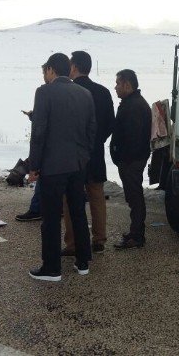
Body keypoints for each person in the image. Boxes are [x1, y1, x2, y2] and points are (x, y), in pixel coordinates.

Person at [27, 53, 96, 282]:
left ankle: (52, 268)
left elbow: (39, 133)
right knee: (77, 212)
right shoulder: (85, 94)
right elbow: (91, 131)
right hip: (78, 165)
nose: (44, 76)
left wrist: (34, 165)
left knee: (51, 217)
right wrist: (83, 157)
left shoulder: (44, 92)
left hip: (53, 166)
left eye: (44, 71)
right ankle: (83, 261)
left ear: (50, 70)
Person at [61, 51, 114, 255]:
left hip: (73, 154)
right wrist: (97, 140)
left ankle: (72, 243)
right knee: (97, 196)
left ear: (74, 67)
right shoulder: (103, 92)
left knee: (70, 199)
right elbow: (110, 123)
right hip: (96, 152)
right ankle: (99, 239)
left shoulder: (70, 91)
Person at [110, 69, 152, 249]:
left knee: (135, 197)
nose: (115, 87)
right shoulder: (131, 102)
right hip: (131, 159)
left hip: (132, 160)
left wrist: (123, 158)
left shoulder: (135, 105)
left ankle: (137, 236)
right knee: (133, 196)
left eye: (118, 83)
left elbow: (133, 138)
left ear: (127, 84)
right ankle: (135, 232)